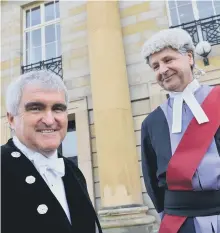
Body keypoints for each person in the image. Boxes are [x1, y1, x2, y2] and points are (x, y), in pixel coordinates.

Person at [1, 70, 103, 233]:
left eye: (58, 109)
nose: (49, 120)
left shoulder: (73, 171)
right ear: (12, 119)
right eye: (36, 108)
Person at [141, 28, 220, 233]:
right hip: (181, 223)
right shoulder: (151, 122)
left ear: (190, 57)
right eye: (156, 66)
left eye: (168, 59)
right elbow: (151, 179)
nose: (163, 69)